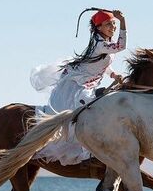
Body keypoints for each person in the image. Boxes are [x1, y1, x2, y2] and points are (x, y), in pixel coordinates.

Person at [30, 9, 127, 164]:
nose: (113, 27)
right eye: (108, 24)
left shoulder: (103, 44)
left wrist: (114, 75)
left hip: (85, 85)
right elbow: (121, 46)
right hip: (75, 86)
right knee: (87, 114)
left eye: (114, 23)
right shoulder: (100, 44)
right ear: (99, 27)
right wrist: (122, 21)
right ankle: (86, 153)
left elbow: (103, 63)